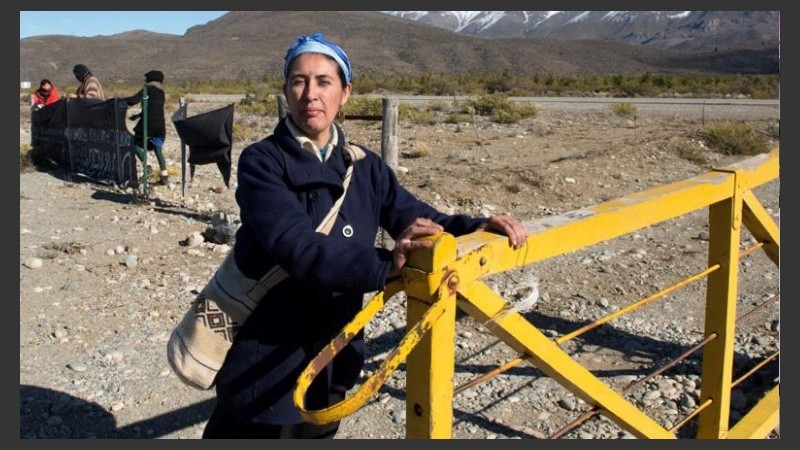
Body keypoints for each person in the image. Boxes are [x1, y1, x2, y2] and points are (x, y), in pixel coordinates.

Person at [201, 32, 529, 439]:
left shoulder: (365, 167)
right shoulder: (262, 162)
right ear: (286, 90)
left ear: (346, 92)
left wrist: (475, 227)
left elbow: (417, 216)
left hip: (332, 355)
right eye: (299, 81)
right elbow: (298, 247)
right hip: (267, 360)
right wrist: (389, 264)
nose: (310, 94)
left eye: (324, 81)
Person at [123, 70, 169, 185]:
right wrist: (138, 115)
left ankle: (147, 166)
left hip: (148, 126)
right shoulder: (161, 93)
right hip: (160, 127)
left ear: (150, 80)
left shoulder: (147, 90)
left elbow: (133, 100)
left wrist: (119, 102)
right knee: (157, 148)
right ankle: (164, 175)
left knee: (134, 142)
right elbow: (153, 109)